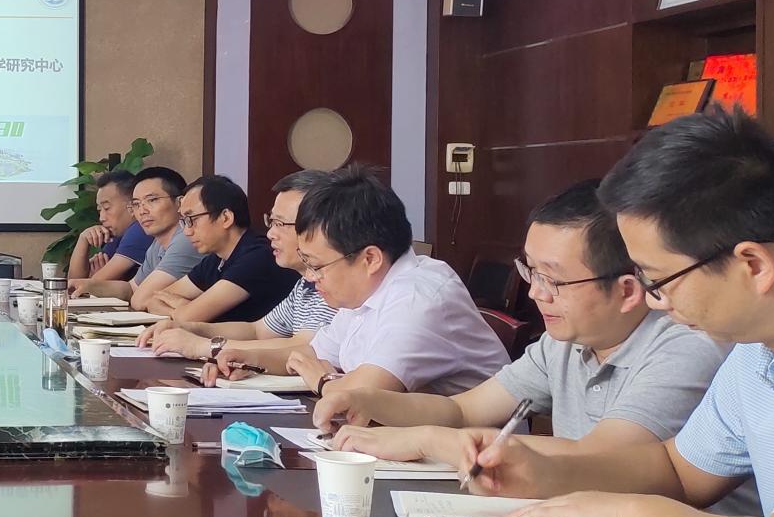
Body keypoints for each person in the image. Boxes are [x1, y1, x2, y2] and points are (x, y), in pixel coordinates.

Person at [463, 112, 774, 517]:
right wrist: (546, 472)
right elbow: (680, 470)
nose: (653, 302)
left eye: (659, 279)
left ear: (753, 265)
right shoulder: (761, 340)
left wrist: (632, 513)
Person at [316, 180, 724, 467]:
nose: (535, 293)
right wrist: (369, 402)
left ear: (628, 290)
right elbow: (462, 410)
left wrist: (428, 440)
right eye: (531, 272)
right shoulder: (564, 341)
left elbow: (605, 456)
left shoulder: (683, 346)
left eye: (553, 280)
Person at [213, 165, 506, 397]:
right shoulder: (367, 291)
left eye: (317, 266)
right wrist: (246, 358)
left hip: (471, 450)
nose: (311, 278)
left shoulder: (418, 300)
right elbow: (312, 354)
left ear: (370, 259)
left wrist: (324, 381)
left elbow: (363, 395)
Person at [134, 170, 338, 372]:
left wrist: (201, 345)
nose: (271, 233)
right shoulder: (305, 283)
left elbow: (305, 348)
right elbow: (257, 330)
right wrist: (190, 328)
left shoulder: (333, 281)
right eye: (271, 222)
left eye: (280, 224)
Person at [144, 175, 295, 323]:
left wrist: (186, 309)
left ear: (226, 218)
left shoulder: (258, 256)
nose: (187, 231)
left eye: (192, 219)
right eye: (184, 221)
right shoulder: (216, 259)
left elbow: (189, 318)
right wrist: (185, 309)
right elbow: (154, 301)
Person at [74, 167, 196, 308]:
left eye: (152, 200)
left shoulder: (187, 239)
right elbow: (132, 288)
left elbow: (140, 299)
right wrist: (84, 285)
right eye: (137, 204)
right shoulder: (157, 244)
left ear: (180, 203)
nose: (142, 211)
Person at [64, 169, 152, 289]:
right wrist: (83, 239)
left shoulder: (140, 230)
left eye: (106, 208)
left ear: (132, 206)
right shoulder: (118, 235)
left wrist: (94, 281)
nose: (101, 218)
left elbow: (84, 287)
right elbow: (74, 283)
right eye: (99, 210)